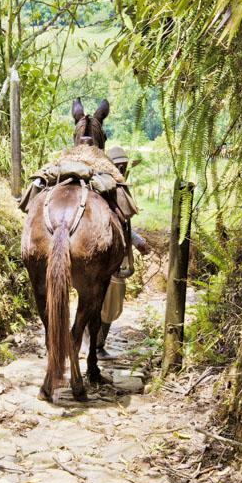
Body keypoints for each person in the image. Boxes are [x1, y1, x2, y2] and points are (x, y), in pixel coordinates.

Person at [96, 145, 149, 358]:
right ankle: (96, 345)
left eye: (124, 166)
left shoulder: (119, 190)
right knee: (102, 302)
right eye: (119, 165)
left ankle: (98, 343)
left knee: (111, 302)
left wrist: (137, 241)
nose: (122, 168)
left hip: (115, 255)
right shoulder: (103, 190)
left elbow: (123, 225)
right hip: (104, 254)